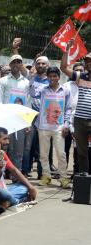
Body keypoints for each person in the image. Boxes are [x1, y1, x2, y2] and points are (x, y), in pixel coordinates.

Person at [0, 127, 37, 205]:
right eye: (5, 139)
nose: (8, 142)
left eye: (8, 139)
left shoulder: (2, 153)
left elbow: (14, 170)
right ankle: (17, 201)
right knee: (5, 194)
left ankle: (7, 201)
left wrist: (30, 187)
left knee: (24, 188)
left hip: (2, 188)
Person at [36, 67, 71, 187]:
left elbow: (68, 108)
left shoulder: (65, 91)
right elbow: (31, 93)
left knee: (61, 153)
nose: (52, 78)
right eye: (50, 76)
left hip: (59, 128)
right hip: (43, 127)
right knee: (43, 154)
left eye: (54, 76)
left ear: (59, 77)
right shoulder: (43, 90)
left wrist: (66, 124)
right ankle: (46, 176)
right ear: (47, 77)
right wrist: (32, 76)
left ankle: (63, 178)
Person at [61, 40, 91, 175]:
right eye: (87, 61)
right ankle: (84, 179)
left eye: (90, 61)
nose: (88, 63)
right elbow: (63, 68)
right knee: (81, 152)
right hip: (79, 120)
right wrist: (67, 50)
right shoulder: (81, 76)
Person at [0, 54, 30, 171]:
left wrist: (27, 122)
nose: (16, 64)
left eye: (18, 62)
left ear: (21, 65)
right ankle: (1, 174)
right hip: (5, 119)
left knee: (18, 150)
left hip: (20, 120)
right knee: (3, 149)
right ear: (10, 65)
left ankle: (16, 177)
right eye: (14, 62)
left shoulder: (26, 82)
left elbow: (27, 103)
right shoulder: (3, 81)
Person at [63, 62, 85, 171]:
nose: (79, 72)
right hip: (67, 121)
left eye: (81, 70)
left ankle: (77, 171)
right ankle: (62, 171)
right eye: (77, 70)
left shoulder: (87, 84)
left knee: (79, 149)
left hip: (82, 122)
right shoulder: (67, 86)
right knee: (64, 148)